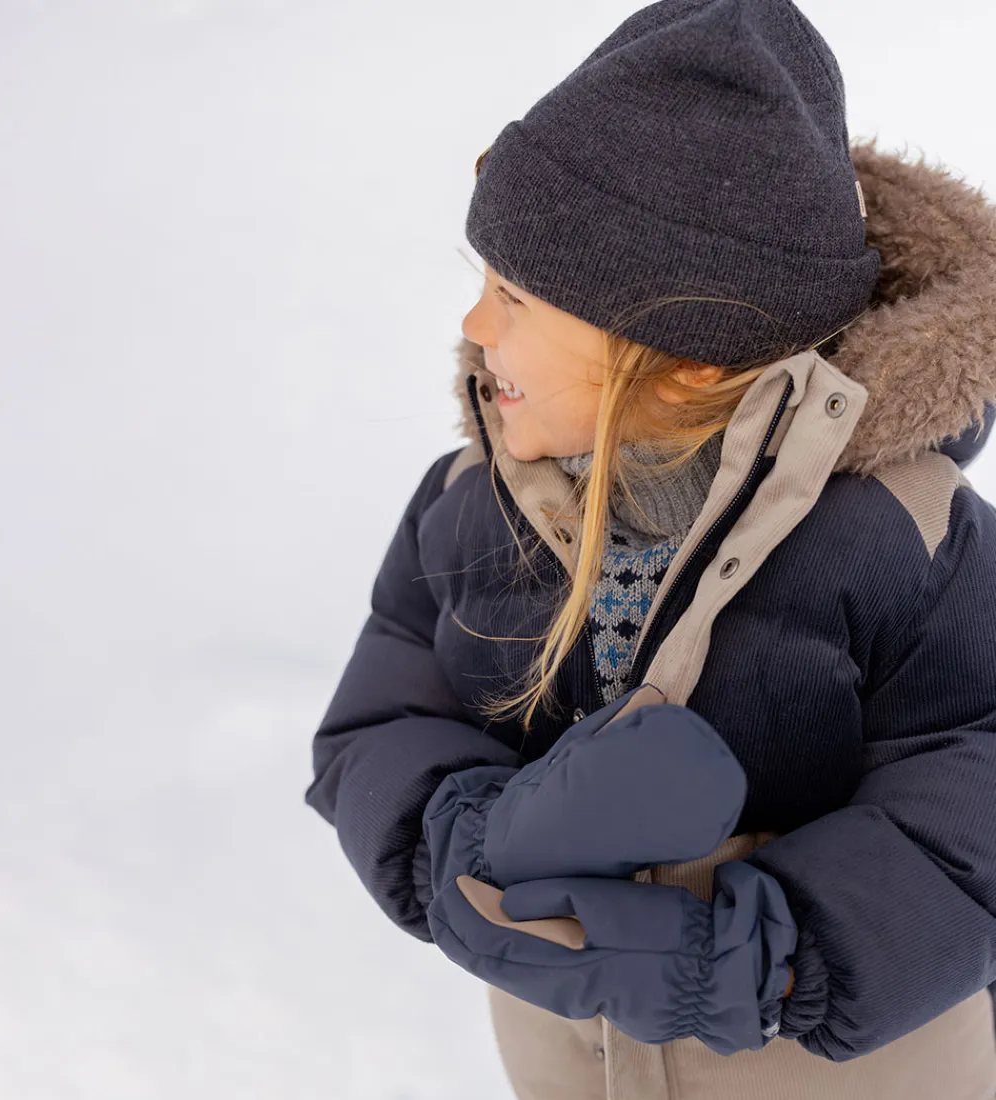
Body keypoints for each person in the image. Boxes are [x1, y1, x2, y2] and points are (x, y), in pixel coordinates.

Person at [305, 1, 996, 1096]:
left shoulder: (904, 536)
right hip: (570, 1064)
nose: (475, 327)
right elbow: (380, 722)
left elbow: (976, 788)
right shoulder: (466, 508)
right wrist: (469, 846)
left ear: (685, 359)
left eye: (514, 296)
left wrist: (757, 957)